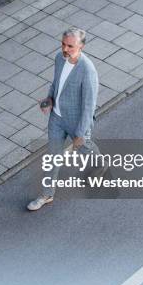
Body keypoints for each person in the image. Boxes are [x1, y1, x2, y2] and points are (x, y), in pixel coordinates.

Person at [27, 27, 100, 211]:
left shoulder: (87, 70)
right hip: (57, 119)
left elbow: (88, 106)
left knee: (85, 149)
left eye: (70, 46)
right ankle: (47, 194)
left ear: (81, 47)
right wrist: (49, 99)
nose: (65, 49)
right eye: (63, 44)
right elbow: (56, 82)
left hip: (77, 122)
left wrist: (81, 133)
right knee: (53, 157)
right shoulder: (59, 59)